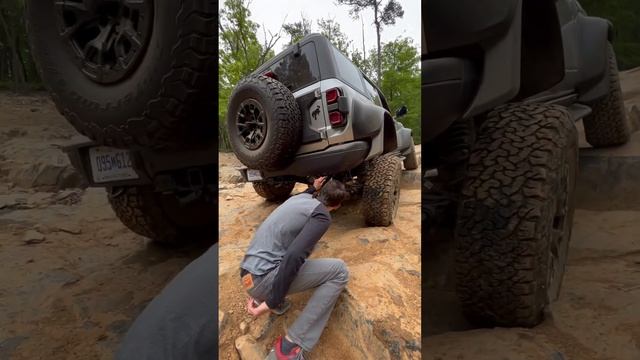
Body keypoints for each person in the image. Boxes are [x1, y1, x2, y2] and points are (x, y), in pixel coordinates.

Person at [240, 177, 350, 359]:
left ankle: (268, 298)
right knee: (339, 271)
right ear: (337, 206)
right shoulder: (322, 216)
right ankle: (290, 346)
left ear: (319, 191)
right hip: (262, 282)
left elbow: (308, 194)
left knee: (294, 245)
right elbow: (294, 256)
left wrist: (312, 187)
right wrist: (271, 302)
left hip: (247, 275)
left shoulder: (298, 199)